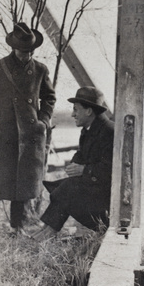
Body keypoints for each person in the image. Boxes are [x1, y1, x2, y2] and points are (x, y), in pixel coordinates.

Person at [0, 22, 56, 235]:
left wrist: (43, 121)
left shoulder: (40, 70)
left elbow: (50, 98)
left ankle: (18, 227)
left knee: (22, 182)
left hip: (28, 135)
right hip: (2, 134)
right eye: (22, 51)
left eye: (30, 52)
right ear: (13, 48)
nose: (26, 56)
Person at [32, 86, 114, 242]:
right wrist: (75, 163)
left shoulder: (109, 131)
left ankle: (48, 233)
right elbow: (82, 154)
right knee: (60, 187)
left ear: (89, 111)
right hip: (96, 196)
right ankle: (46, 230)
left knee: (66, 189)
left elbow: (111, 170)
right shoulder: (89, 129)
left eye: (76, 110)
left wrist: (84, 170)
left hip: (107, 210)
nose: (72, 114)